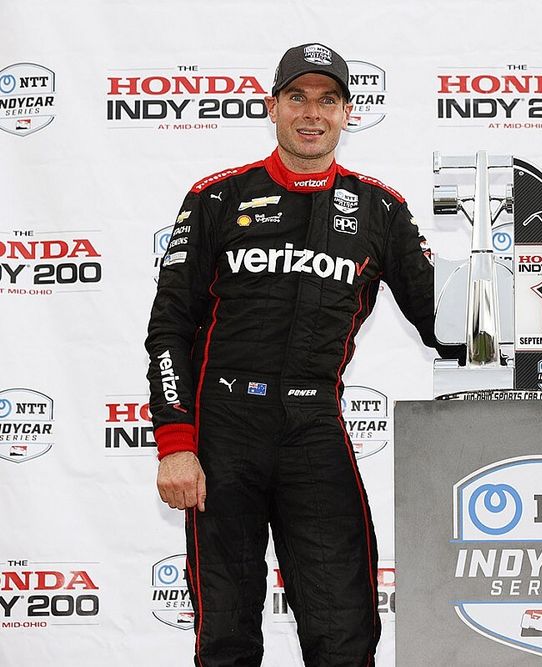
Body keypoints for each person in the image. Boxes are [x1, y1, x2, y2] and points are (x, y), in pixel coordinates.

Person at [146, 43, 456, 666]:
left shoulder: (380, 209)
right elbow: (169, 328)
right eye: (298, 98)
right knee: (226, 633)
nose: (311, 114)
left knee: (345, 630)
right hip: (223, 430)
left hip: (314, 427)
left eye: (328, 100)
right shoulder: (216, 198)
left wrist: (506, 282)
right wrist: (177, 442)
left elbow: (442, 324)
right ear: (273, 107)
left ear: (349, 114)